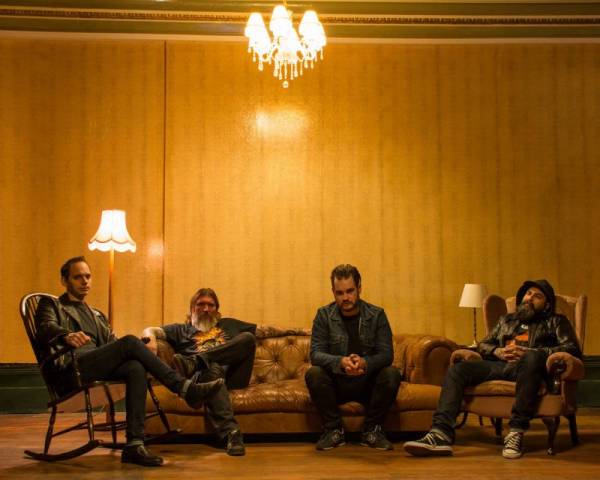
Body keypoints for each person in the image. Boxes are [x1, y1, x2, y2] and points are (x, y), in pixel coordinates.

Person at [35, 256, 224, 467]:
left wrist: (138, 349)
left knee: (135, 367)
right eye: (78, 277)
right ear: (64, 280)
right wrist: (65, 335)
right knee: (130, 342)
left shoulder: (96, 314)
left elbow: (112, 345)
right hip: (71, 369)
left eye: (88, 276)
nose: (85, 281)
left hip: (95, 366)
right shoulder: (52, 304)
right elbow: (45, 328)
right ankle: (184, 388)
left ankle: (134, 444)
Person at [403, 279, 582, 459]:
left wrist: (531, 352)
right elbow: (484, 344)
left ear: (547, 304)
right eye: (528, 294)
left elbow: (572, 348)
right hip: (500, 365)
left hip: (531, 370)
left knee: (532, 358)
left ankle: (516, 431)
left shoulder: (556, 321)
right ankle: (441, 433)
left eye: (537, 296)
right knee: (458, 370)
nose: (530, 298)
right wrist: (498, 351)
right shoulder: (506, 320)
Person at [142, 288, 257, 456]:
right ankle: (231, 433)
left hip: (234, 376)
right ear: (192, 308)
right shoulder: (180, 330)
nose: (206, 309)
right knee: (212, 367)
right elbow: (151, 330)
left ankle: (196, 362)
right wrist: (149, 338)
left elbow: (264, 330)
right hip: (204, 379)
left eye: (211, 305)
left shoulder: (229, 324)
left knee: (248, 338)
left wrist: (296, 332)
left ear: (217, 309)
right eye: (201, 304)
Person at [305, 264, 402, 451]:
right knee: (314, 373)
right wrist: (340, 362)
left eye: (350, 291)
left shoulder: (377, 315)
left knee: (391, 374)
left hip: (367, 383)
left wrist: (365, 363)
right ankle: (333, 430)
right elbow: (315, 354)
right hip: (337, 383)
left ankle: (372, 430)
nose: (345, 298)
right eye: (339, 293)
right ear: (333, 292)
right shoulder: (324, 315)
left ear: (359, 288)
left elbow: (386, 354)